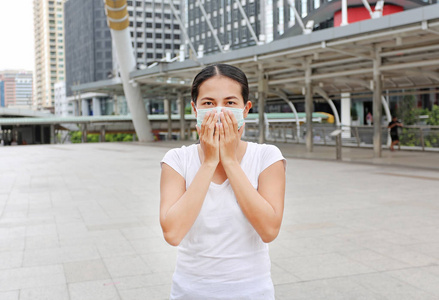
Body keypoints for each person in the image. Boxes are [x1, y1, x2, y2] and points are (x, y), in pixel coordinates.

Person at [160, 64, 286, 300]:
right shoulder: (177, 160)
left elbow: (269, 230)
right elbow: (173, 233)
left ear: (246, 109)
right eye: (208, 103)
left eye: (230, 103)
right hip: (190, 292)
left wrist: (229, 160)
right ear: (194, 108)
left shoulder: (267, 157)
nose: (219, 111)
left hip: (253, 292)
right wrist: (209, 162)